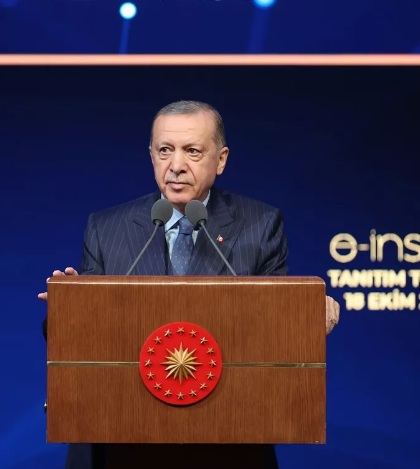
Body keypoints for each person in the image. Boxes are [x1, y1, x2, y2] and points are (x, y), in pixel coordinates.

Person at [38, 100, 340, 469]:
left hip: (228, 440)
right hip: (127, 441)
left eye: (192, 151)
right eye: (165, 150)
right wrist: (69, 309)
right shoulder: (108, 228)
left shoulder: (260, 225)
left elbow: (273, 329)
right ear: (151, 156)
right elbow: (84, 345)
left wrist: (305, 318)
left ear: (221, 159)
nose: (176, 165)